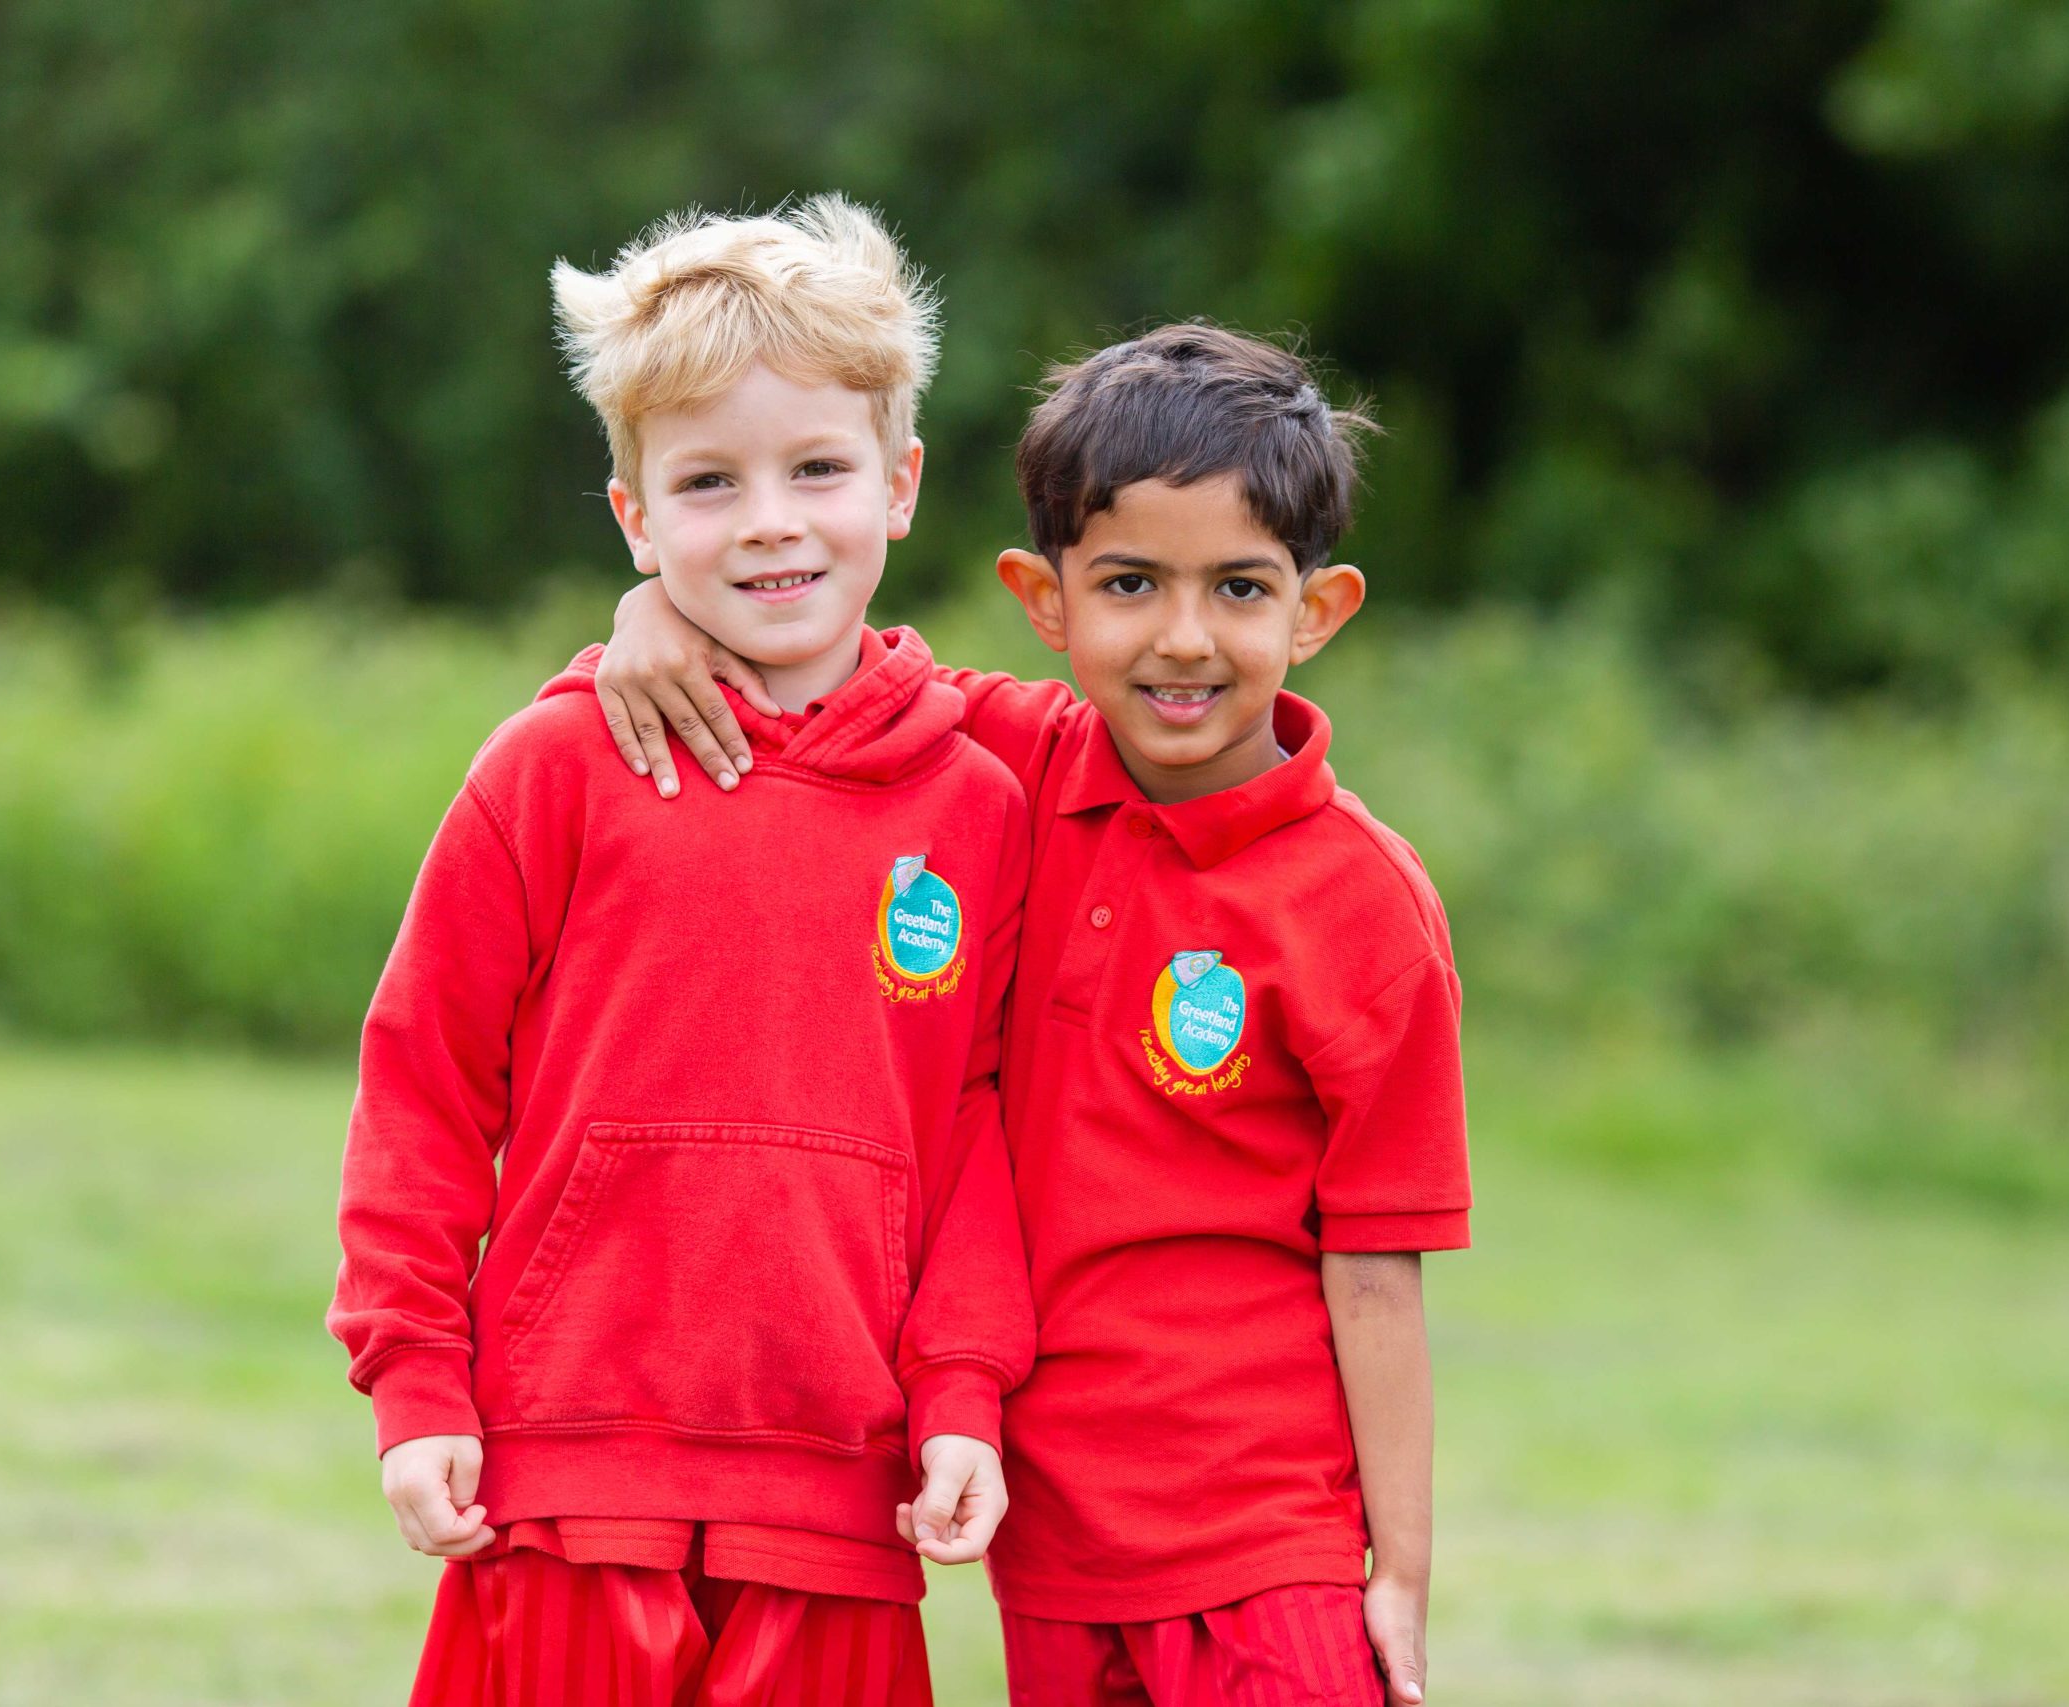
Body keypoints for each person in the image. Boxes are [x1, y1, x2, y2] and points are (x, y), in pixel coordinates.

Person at [568, 323, 1473, 1705]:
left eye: (1239, 587)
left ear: (1318, 609)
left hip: (1269, 1537)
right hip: (1043, 1541)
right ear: (1045, 602)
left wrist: (1396, 1569)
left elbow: (1378, 1267)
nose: (1184, 637)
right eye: (1129, 583)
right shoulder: (1002, 762)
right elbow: (799, 632)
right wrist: (649, 617)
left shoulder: (1365, 903)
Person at [329, 196, 1035, 1707]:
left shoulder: (980, 804)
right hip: (571, 1472)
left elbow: (979, 1135)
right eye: (710, 482)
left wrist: (964, 1395)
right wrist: (413, 1381)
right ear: (637, 519)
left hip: (841, 1494)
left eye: (818, 469)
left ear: (901, 486)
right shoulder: (554, 767)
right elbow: (424, 1085)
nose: (771, 517)